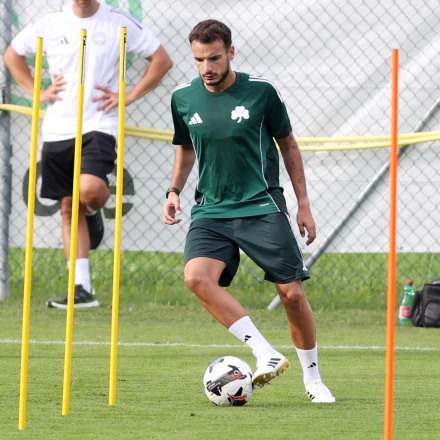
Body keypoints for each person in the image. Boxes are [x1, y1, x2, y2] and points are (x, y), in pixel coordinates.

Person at [163, 19, 335, 403]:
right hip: (211, 209)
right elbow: (185, 147)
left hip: (260, 205)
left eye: (214, 58)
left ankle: (313, 380)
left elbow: (289, 146)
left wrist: (303, 205)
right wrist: (174, 190)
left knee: (292, 294)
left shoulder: (261, 92)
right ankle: (264, 352)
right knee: (196, 278)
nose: (206, 67)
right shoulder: (182, 98)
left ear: (231, 52)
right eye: (199, 59)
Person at [4, 0, 172, 309]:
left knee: (90, 191)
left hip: (99, 124)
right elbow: (12, 55)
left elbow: (161, 60)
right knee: (68, 207)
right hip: (58, 128)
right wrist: (37, 92)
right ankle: (81, 288)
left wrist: (128, 96)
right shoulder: (50, 22)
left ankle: (94, 212)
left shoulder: (118, 21)